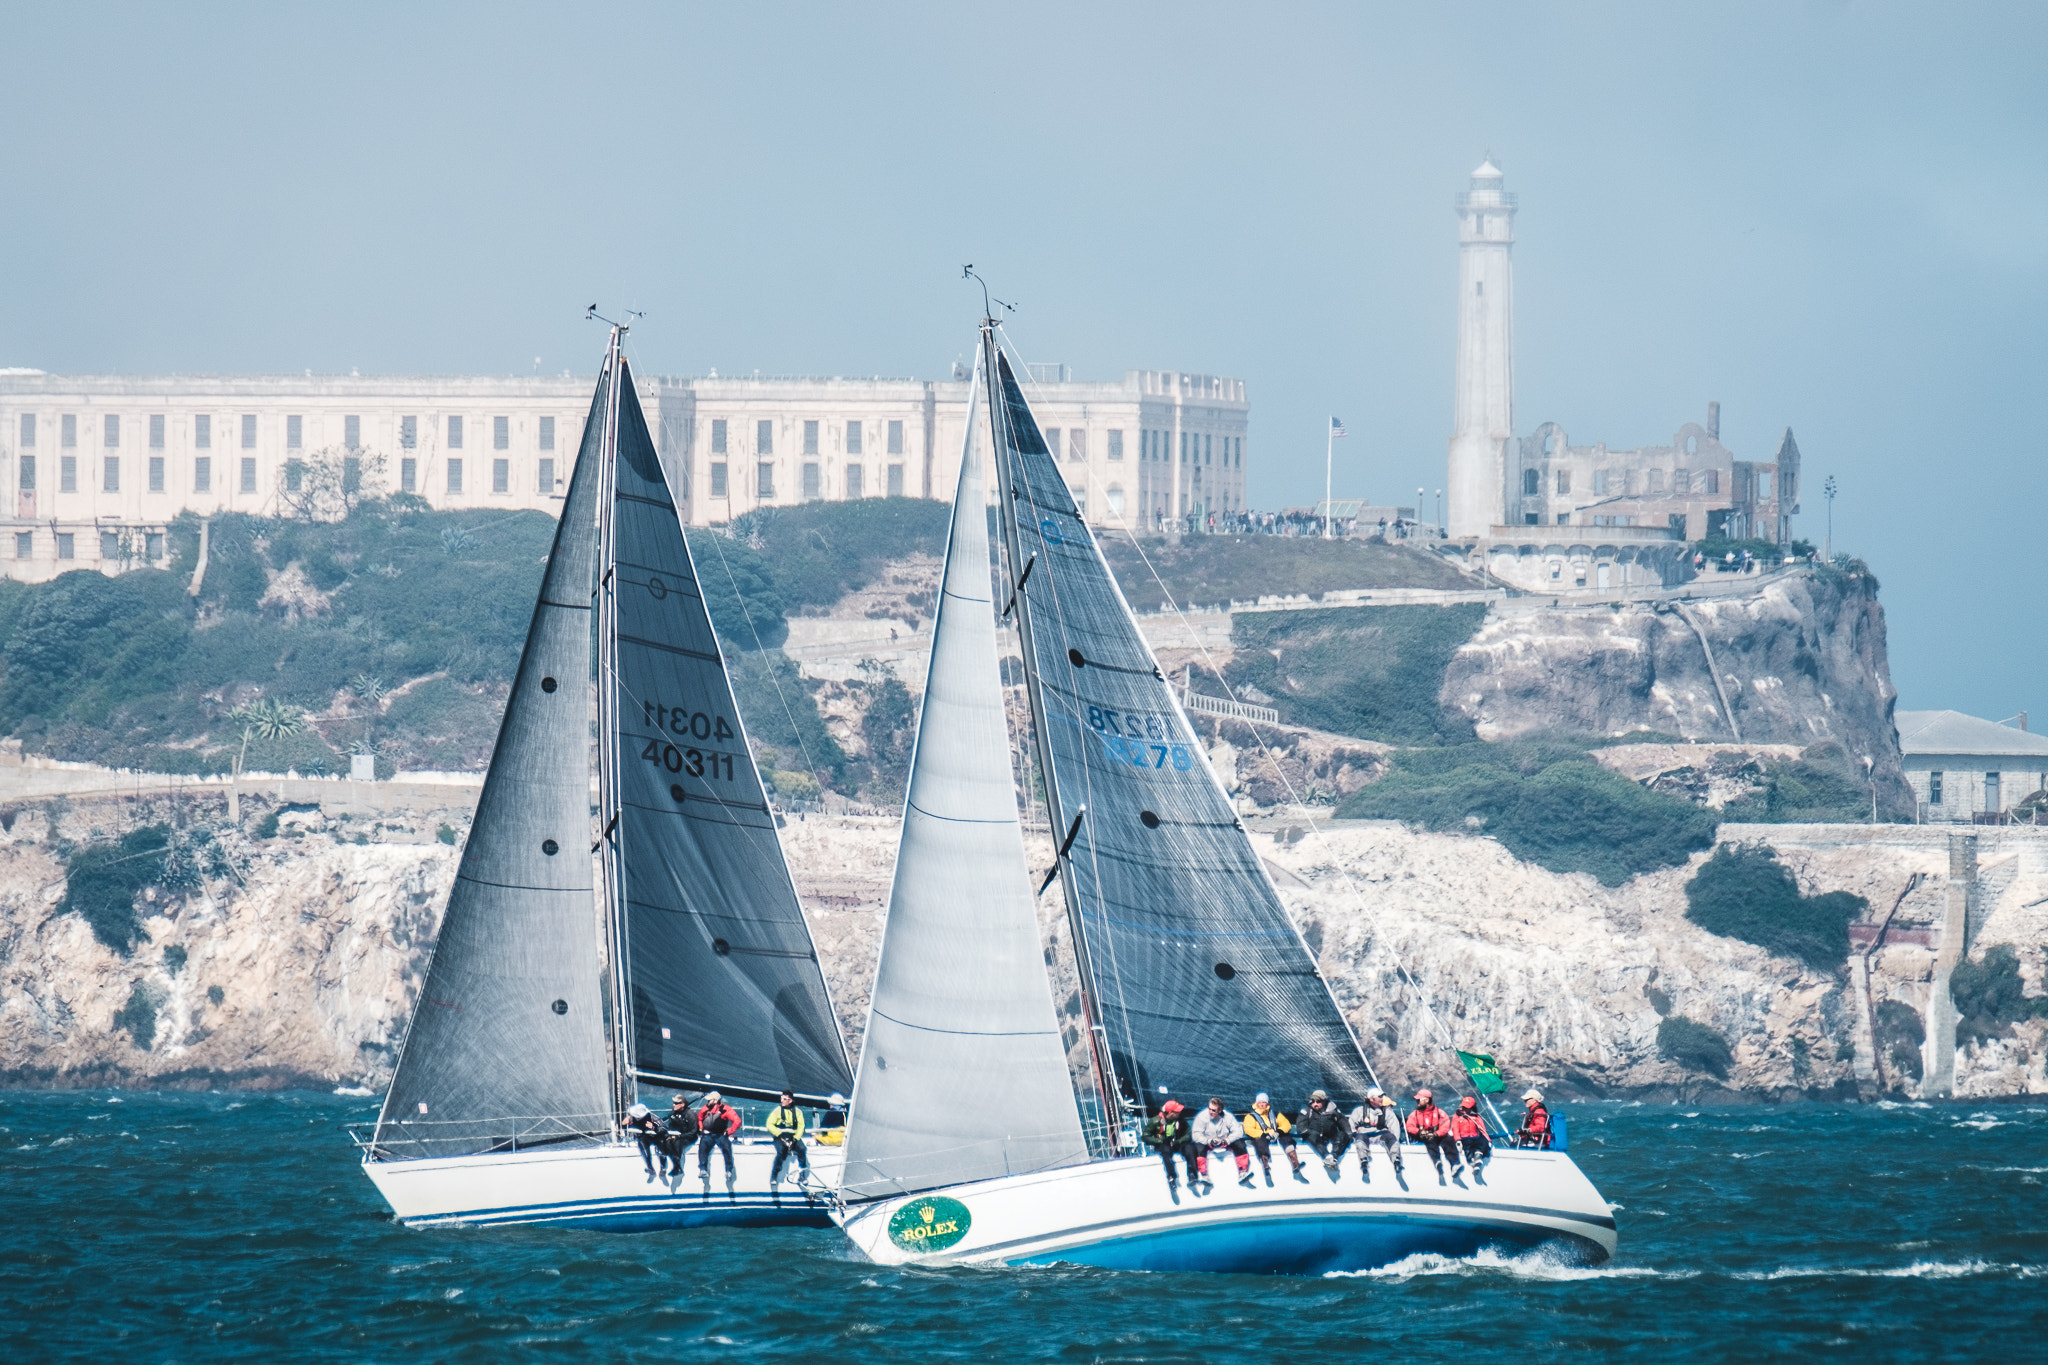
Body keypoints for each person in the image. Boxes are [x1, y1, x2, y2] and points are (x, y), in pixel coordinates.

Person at [1191, 1096, 1254, 1190]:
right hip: (1208, 1142)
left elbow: (1238, 1132)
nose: (1210, 1112)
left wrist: (1227, 1140)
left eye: (1213, 1110)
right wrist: (1209, 1141)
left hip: (1225, 1141)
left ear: (1220, 1110)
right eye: (1210, 1109)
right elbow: (1196, 1135)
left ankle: (1243, 1172)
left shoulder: (1228, 1117)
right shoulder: (1201, 1117)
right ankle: (1204, 1175)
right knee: (1199, 1147)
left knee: (1240, 1143)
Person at [1242, 1093, 1301, 1184]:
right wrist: (1263, 1134)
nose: (1262, 1104)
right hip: (1262, 1136)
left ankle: (1295, 1163)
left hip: (1275, 1135)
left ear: (1267, 1103)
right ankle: (1265, 1165)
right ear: (1256, 1103)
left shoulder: (1276, 1114)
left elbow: (1286, 1124)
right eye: (1260, 1102)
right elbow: (1248, 1129)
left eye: (1264, 1102)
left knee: (1286, 1138)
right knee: (1260, 1142)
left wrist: (1279, 1132)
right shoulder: (1250, 1117)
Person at [1348, 1086, 1403, 1179]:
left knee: (1390, 1137)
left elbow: (1395, 1128)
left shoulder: (1388, 1112)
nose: (1382, 1099)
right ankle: (1364, 1162)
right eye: (1380, 1097)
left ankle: (1396, 1161)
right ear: (1372, 1099)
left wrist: (1395, 1140)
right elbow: (1351, 1125)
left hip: (1380, 1136)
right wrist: (1354, 1135)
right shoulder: (1359, 1111)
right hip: (1364, 1135)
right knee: (1360, 1138)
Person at [1142, 1099, 1196, 1193]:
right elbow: (1145, 1137)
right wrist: (1159, 1140)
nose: (1179, 1113)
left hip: (1176, 1143)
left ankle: (1192, 1174)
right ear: (1171, 1113)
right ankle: (1171, 1178)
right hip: (1163, 1144)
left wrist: (1179, 1141)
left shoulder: (1180, 1120)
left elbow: (1188, 1134)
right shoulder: (1155, 1121)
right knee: (1166, 1152)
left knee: (1189, 1148)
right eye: (1177, 1112)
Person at [695, 1090, 743, 1191]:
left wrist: (729, 1131)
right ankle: (703, 1169)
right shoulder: (705, 1109)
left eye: (709, 1100)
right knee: (702, 1147)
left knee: (726, 1147)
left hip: (720, 1134)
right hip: (707, 1134)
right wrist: (700, 1129)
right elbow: (699, 1118)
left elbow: (737, 1121)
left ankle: (728, 1170)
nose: (707, 1101)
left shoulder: (725, 1109)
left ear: (715, 1100)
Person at [1405, 1088, 1456, 1180]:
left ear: (1427, 1100)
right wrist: (1419, 1132)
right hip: (1422, 1137)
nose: (1417, 1102)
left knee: (1448, 1140)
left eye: (1418, 1099)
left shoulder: (1440, 1113)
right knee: (1430, 1141)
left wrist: (1436, 1134)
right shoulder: (1414, 1114)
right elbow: (1410, 1126)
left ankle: (1454, 1164)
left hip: (1437, 1136)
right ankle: (1437, 1162)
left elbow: (1445, 1126)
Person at [1294, 1089, 1350, 1172]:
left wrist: (1349, 1134)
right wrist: (1307, 1132)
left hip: (1331, 1134)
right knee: (1311, 1136)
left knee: (1341, 1135)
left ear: (1324, 1101)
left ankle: (1334, 1156)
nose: (1315, 1104)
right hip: (1315, 1136)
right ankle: (1326, 1155)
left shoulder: (1333, 1110)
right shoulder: (1307, 1110)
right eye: (1313, 1101)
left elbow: (1344, 1122)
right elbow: (1300, 1125)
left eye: (1318, 1101)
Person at [765, 1090, 809, 1192]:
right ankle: (774, 1175)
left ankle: (802, 1175)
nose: (782, 1101)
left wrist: (795, 1139)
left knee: (802, 1149)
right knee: (781, 1151)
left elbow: (801, 1126)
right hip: (780, 1135)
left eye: (785, 1099)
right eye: (781, 1098)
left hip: (793, 1136)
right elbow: (769, 1124)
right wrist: (779, 1134)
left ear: (790, 1100)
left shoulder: (798, 1112)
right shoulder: (777, 1111)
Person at [623, 1102, 666, 1180]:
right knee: (642, 1145)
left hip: (656, 1137)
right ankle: (650, 1167)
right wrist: (623, 1124)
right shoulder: (632, 1118)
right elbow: (623, 1127)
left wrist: (653, 1127)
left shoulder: (652, 1117)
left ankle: (663, 1167)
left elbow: (663, 1129)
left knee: (660, 1147)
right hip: (644, 1138)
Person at [1449, 1095, 1492, 1173]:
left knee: (1483, 1141)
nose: (1465, 1109)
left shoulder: (1476, 1117)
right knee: (1467, 1146)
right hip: (1464, 1139)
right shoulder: (1457, 1117)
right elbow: (1455, 1129)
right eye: (1464, 1107)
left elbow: (1482, 1130)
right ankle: (1472, 1162)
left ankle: (1478, 1156)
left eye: (1467, 1107)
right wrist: (1457, 1140)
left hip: (1475, 1138)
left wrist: (1488, 1140)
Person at [661, 1093, 700, 1174]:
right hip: (677, 1134)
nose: (674, 1105)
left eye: (676, 1103)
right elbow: (671, 1126)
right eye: (673, 1103)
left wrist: (681, 1136)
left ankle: (677, 1167)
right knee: (667, 1142)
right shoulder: (673, 1113)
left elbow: (693, 1131)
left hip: (689, 1136)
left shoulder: (690, 1115)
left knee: (677, 1142)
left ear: (682, 1104)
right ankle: (677, 1166)